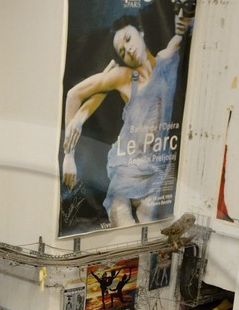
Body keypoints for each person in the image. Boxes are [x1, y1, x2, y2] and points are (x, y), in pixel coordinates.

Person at [62, 8, 192, 227]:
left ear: (140, 31)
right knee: (122, 222)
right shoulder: (123, 76)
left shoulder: (165, 62)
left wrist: (183, 26)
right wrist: (68, 155)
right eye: (122, 51)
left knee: (149, 232)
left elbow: (178, 37)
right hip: (127, 168)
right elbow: (73, 94)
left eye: (128, 39)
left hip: (157, 167)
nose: (128, 50)